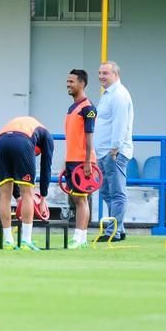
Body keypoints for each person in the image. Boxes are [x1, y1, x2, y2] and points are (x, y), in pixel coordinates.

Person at [0, 116, 54, 251]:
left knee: (4, 195)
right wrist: (43, 199)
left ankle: (8, 241)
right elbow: (46, 167)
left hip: (1, 141)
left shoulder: (25, 124)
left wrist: (17, 197)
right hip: (23, 140)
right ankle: (26, 241)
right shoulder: (46, 136)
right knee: (28, 193)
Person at [94, 61, 134, 242]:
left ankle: (113, 232)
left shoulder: (119, 95)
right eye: (100, 73)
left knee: (117, 193)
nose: (102, 76)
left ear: (116, 75)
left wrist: (115, 147)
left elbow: (120, 123)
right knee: (106, 192)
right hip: (104, 152)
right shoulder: (108, 94)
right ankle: (119, 228)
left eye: (106, 73)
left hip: (113, 152)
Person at [64, 69, 97, 249]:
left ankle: (79, 238)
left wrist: (87, 162)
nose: (68, 85)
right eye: (67, 82)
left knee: (81, 199)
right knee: (76, 199)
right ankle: (81, 238)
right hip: (71, 160)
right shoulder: (72, 108)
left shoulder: (88, 108)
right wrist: (66, 162)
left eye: (72, 82)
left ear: (82, 84)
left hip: (82, 161)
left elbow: (89, 138)